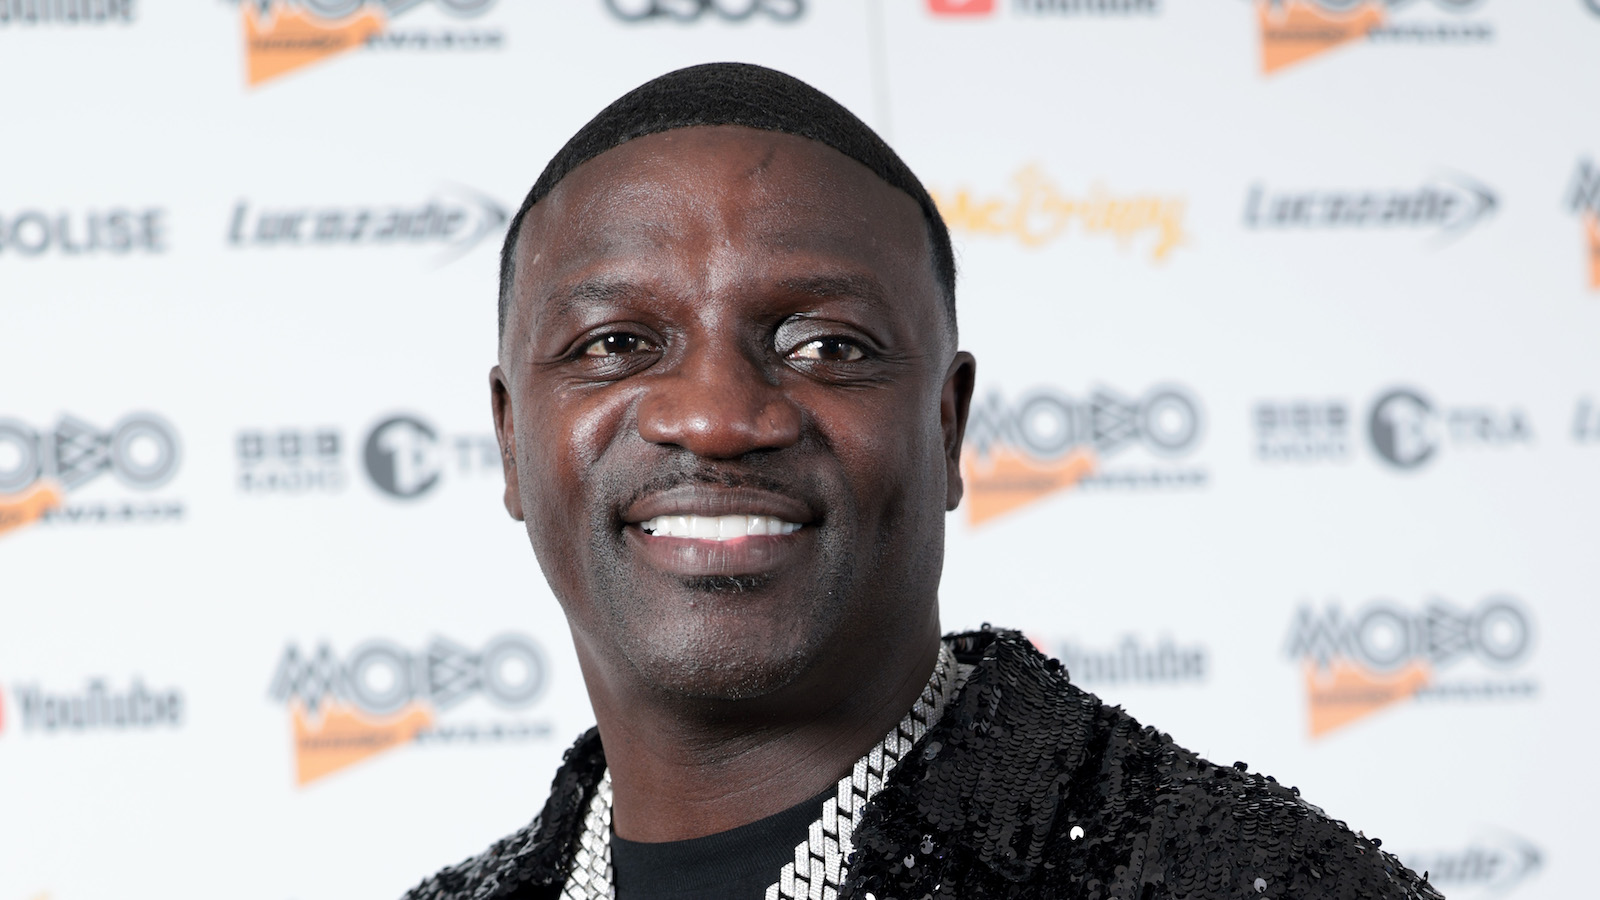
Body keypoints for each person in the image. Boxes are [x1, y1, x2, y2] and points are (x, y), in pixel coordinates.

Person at [405, 63, 1441, 900]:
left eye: (825, 346)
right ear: (509, 438)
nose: (716, 417)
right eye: (618, 342)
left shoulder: (1239, 879)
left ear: (946, 426)